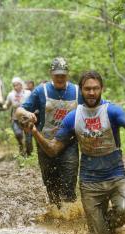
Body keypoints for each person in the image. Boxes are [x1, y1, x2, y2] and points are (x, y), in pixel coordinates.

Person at [24, 70, 125, 234]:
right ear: (81, 91)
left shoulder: (111, 110)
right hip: (89, 183)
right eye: (87, 89)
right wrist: (35, 132)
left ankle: (106, 226)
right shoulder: (73, 117)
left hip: (116, 177)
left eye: (95, 88)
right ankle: (101, 232)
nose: (91, 93)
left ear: (101, 89)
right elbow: (53, 149)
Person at [15, 57, 83, 208]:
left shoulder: (77, 91)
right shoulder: (41, 90)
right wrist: (27, 114)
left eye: (63, 75)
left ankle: (69, 219)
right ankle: (55, 215)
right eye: (57, 74)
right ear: (51, 73)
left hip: (69, 143)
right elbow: (19, 110)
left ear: (68, 74)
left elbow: (92, 107)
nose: (60, 78)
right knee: (51, 184)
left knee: (69, 182)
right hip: (44, 142)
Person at [3, 77, 32, 156]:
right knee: (18, 134)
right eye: (14, 85)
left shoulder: (28, 93)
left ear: (21, 84)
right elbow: (7, 104)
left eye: (17, 85)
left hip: (27, 119)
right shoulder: (11, 95)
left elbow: (33, 102)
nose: (16, 87)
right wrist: (4, 106)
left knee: (29, 139)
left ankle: (29, 155)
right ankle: (21, 148)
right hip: (16, 119)